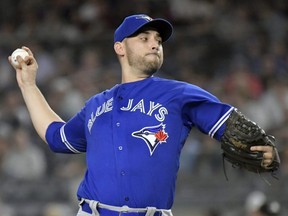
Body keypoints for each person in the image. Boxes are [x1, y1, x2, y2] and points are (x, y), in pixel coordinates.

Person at [8, 14, 279, 216]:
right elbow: (57, 137)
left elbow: (232, 125)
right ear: (120, 48)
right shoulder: (95, 105)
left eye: (158, 40)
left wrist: (263, 148)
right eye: (144, 38)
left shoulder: (179, 94)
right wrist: (28, 84)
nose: (154, 44)